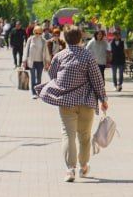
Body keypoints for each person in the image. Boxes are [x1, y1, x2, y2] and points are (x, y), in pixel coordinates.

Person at [38, 26, 109, 182]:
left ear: (65, 38)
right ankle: (84, 166)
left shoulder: (59, 56)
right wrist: (103, 99)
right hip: (86, 102)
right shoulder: (88, 56)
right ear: (80, 38)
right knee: (84, 136)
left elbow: (52, 75)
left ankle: (70, 170)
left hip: (65, 102)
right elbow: (97, 80)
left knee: (68, 135)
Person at [23, 25, 48, 95]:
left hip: (40, 62)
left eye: (40, 33)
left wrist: (47, 62)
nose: (38, 35)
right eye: (36, 33)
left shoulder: (43, 41)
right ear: (34, 32)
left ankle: (38, 91)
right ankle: (33, 93)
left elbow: (46, 52)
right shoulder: (30, 39)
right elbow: (26, 50)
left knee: (39, 78)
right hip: (32, 61)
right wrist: (24, 61)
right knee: (33, 78)